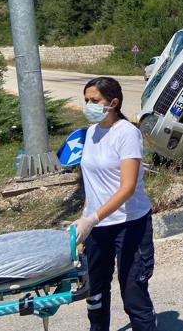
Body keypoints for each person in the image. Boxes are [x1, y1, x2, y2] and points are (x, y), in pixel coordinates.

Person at [72, 76, 157, 331]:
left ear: (114, 102)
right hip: (97, 227)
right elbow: (92, 181)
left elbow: (127, 187)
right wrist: (84, 216)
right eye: (86, 100)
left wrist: (92, 218)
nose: (89, 105)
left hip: (129, 224)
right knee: (95, 295)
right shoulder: (90, 133)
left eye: (95, 100)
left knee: (133, 295)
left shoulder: (127, 133)